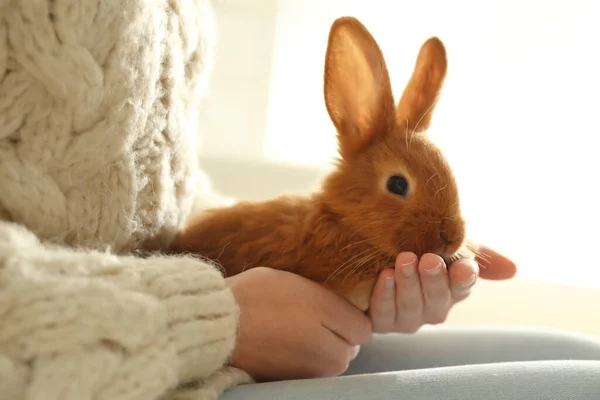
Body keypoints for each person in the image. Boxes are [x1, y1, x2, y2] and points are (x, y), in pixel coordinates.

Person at [0, 1, 598, 400]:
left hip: (181, 306)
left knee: (578, 355)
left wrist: (410, 277)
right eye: (398, 188)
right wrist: (224, 319)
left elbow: (130, 191)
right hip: (112, 353)